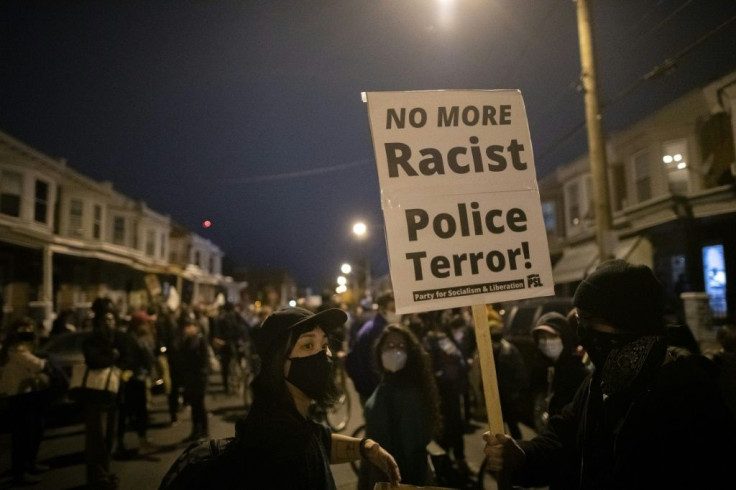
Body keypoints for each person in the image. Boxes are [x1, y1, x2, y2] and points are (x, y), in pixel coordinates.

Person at [483, 259, 736, 490]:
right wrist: (521, 455)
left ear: (628, 321)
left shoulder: (688, 394)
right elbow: (562, 440)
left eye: (590, 320)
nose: (583, 331)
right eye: (580, 320)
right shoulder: (601, 381)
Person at [162, 306, 401, 489]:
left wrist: (365, 448)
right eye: (308, 346)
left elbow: (320, 441)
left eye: (324, 345)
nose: (323, 356)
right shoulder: (283, 447)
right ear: (278, 364)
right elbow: (307, 447)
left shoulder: (282, 416)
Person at [358, 324, 441, 490]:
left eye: (401, 346)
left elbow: (413, 452)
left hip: (393, 480)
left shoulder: (408, 393)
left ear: (410, 353)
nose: (394, 350)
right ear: (379, 349)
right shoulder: (388, 382)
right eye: (389, 345)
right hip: (377, 473)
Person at [81, 298, 135, 490]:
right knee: (96, 439)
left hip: (114, 394)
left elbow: (128, 357)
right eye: (105, 320)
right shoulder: (91, 341)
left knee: (108, 438)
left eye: (111, 319)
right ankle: (96, 478)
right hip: (96, 396)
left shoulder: (121, 338)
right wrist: (112, 357)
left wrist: (118, 366)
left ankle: (104, 473)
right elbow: (94, 360)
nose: (108, 323)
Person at [0, 317, 52, 485]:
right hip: (18, 394)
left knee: (33, 431)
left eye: (30, 328)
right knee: (22, 435)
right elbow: (36, 365)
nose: (28, 332)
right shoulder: (14, 348)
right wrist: (44, 363)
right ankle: (20, 473)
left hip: (28, 391)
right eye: (24, 329)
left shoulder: (23, 346)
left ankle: (29, 464)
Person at [529, 311, 590, 433]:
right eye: (542, 337)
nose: (546, 342)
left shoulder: (576, 373)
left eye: (553, 336)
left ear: (564, 337)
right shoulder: (540, 369)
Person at [345, 290, 400, 404]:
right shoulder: (378, 332)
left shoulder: (376, 326)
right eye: (393, 309)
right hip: (374, 392)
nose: (398, 312)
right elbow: (374, 367)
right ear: (382, 309)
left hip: (367, 389)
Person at [116, 310, 157, 455]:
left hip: (134, 377)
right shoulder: (134, 338)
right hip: (134, 379)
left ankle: (133, 440)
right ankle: (136, 440)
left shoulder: (134, 336)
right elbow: (146, 356)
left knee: (130, 412)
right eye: (145, 322)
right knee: (135, 411)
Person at [179, 316, 211, 442]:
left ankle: (204, 430)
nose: (187, 329)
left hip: (199, 377)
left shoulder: (201, 340)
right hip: (190, 378)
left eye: (189, 326)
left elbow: (204, 360)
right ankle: (195, 430)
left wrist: (203, 374)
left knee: (200, 404)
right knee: (194, 404)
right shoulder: (187, 341)